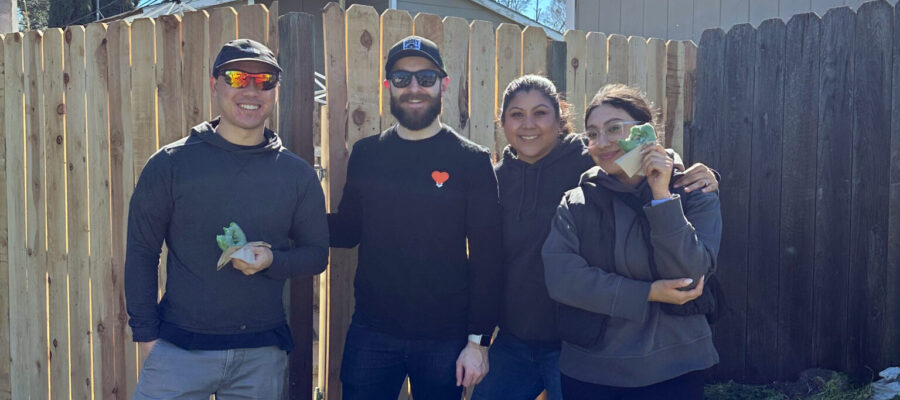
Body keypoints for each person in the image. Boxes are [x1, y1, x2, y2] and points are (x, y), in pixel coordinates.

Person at [471, 76, 718, 400]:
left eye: (540, 113)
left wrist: (686, 172)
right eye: (516, 114)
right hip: (517, 339)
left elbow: (636, 155)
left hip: (577, 339)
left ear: (560, 119)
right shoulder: (496, 180)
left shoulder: (587, 156)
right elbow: (485, 261)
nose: (528, 124)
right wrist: (478, 340)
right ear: (502, 122)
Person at [125, 39, 329, 399]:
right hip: (178, 351)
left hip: (260, 357)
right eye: (237, 77)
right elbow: (142, 252)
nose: (251, 89)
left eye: (264, 80)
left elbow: (316, 254)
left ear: (275, 90)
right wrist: (146, 339)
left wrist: (272, 260)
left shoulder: (296, 175)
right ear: (214, 84)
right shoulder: (171, 164)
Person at [328, 35, 503, 400]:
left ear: (443, 84)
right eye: (402, 78)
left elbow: (489, 257)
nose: (414, 88)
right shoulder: (367, 155)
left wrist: (478, 342)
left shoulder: (471, 161)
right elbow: (346, 231)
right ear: (387, 85)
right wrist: (285, 218)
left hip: (444, 338)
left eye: (425, 78)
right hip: (372, 333)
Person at [542, 83, 722, 400]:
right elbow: (563, 279)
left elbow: (690, 275)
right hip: (591, 372)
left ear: (646, 131)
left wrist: (662, 196)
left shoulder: (694, 193)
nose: (602, 142)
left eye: (614, 129)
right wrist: (648, 293)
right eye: (593, 134)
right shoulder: (575, 203)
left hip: (674, 368)